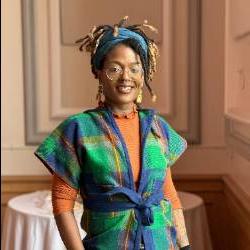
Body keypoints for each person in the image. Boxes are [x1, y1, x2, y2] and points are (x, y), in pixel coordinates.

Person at [34, 16, 190, 250]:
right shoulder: (79, 129)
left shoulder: (157, 127)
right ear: (98, 72)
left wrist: (185, 245)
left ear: (143, 74)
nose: (126, 77)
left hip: (162, 244)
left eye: (134, 69)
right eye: (114, 69)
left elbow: (169, 193)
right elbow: (62, 202)